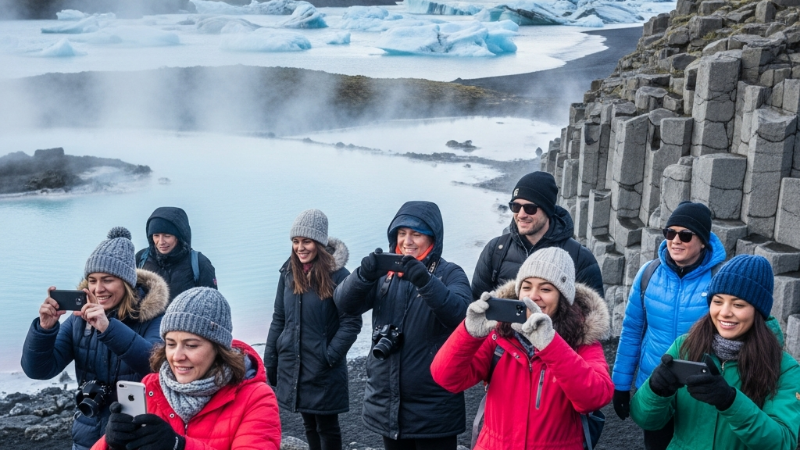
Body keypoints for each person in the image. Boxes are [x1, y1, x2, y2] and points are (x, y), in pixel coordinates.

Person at [432, 247, 613, 449]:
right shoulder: (498, 334)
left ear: (563, 297)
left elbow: (595, 397)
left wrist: (551, 344)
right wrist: (468, 332)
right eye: (526, 287)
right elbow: (445, 377)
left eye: (545, 289)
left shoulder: (582, 338)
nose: (532, 296)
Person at [334, 201, 471, 450]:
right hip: (387, 404)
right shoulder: (384, 274)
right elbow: (344, 304)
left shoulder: (450, 274)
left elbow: (462, 317)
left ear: (433, 238)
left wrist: (426, 281)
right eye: (402, 233)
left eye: (416, 234)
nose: (407, 241)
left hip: (435, 408)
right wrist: (362, 276)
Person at [630, 255, 800, 450]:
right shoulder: (685, 346)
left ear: (758, 311)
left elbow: (782, 442)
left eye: (738, 304)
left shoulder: (785, 368)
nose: (724, 312)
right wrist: (656, 390)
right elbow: (645, 420)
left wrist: (730, 401)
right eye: (717, 301)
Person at [21, 227, 168, 450]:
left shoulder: (155, 317)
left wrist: (108, 328)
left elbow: (156, 365)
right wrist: (44, 330)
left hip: (136, 435)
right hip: (87, 434)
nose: (98, 289)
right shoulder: (78, 321)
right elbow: (39, 370)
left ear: (126, 282)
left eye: (107, 280)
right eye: (92, 280)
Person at [92, 287, 282, 450]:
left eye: (191, 345)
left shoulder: (256, 398)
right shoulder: (151, 386)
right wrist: (110, 444)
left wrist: (179, 446)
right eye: (171, 344)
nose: (177, 356)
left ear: (219, 349)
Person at [612, 201, 726, 450]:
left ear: (703, 241)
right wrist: (620, 385)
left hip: (701, 393)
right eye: (670, 233)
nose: (675, 240)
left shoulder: (720, 278)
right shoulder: (649, 273)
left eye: (685, 235)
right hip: (656, 386)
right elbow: (632, 331)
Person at [264, 209, 362, 450]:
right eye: (296, 241)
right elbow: (279, 318)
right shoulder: (288, 273)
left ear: (319, 242)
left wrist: (329, 355)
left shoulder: (340, 276)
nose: (300, 248)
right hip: (294, 363)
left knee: (327, 427)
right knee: (309, 424)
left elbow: (351, 322)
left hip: (323, 367)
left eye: (306, 241)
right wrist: (271, 359)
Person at [471, 171, 603, 300]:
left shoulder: (579, 257)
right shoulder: (496, 250)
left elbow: (592, 311)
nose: (521, 214)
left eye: (530, 208)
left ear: (547, 210)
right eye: (515, 206)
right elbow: (476, 302)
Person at [136, 206, 217, 301]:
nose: (161, 242)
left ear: (179, 236)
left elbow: (212, 303)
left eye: (167, 236)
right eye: (156, 235)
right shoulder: (141, 259)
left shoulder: (200, 263)